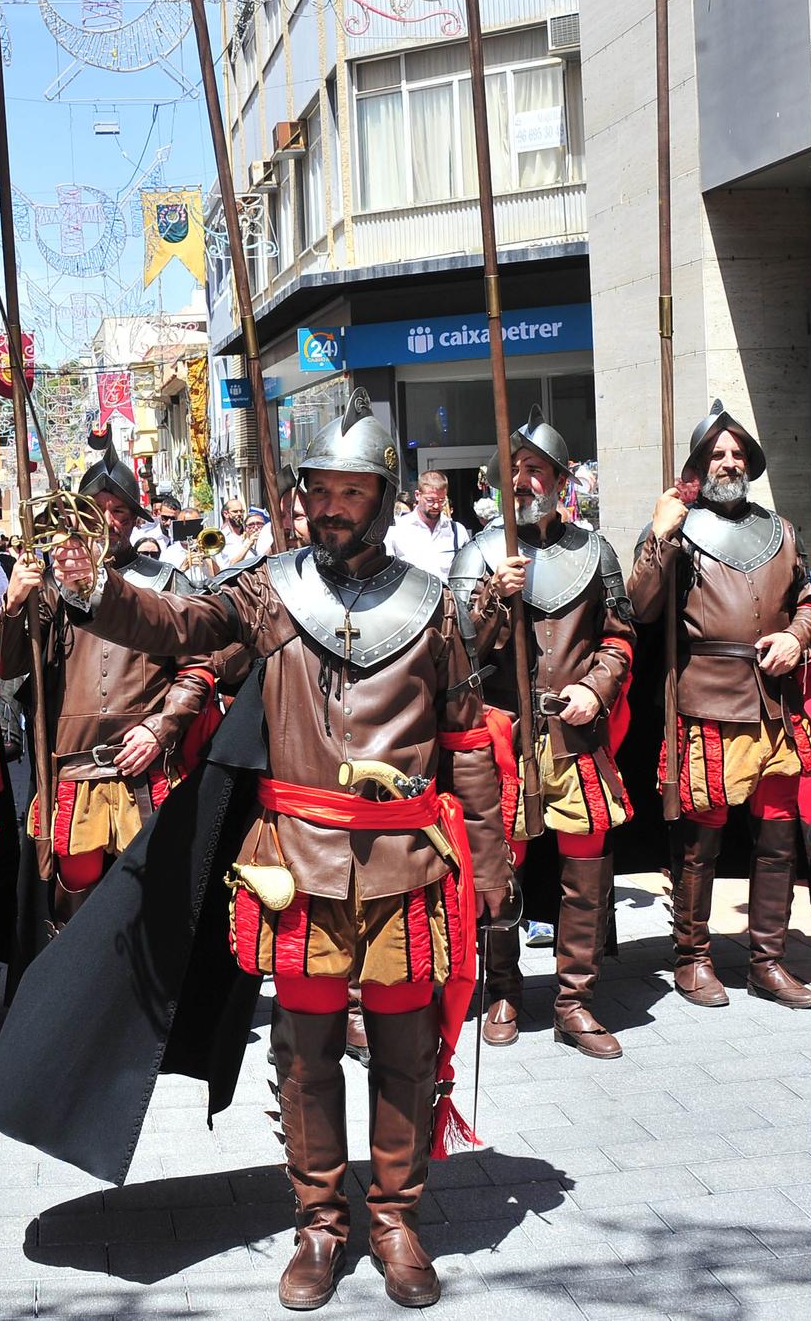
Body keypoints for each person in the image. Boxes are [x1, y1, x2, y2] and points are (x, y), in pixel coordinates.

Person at [37, 390, 512, 1309]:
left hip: (408, 867)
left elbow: (466, 745)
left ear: (381, 494)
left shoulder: (435, 604)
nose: (329, 507)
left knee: (409, 1050)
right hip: (294, 863)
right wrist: (95, 589)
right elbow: (178, 627)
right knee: (305, 1053)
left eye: (348, 491)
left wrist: (491, 874)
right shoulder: (266, 591)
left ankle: (396, 1218)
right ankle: (322, 1222)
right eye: (317, 491)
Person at [630, 398, 811, 1012]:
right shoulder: (673, 527)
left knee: (776, 838)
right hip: (706, 699)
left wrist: (796, 638)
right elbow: (639, 608)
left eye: (737, 452)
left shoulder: (782, 529)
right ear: (697, 464)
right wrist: (661, 536)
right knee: (700, 840)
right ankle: (692, 957)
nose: (728, 460)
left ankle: (767, 960)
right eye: (716, 453)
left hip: (773, 703)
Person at [451, 411, 634, 1057]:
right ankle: (502, 987)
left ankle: (575, 1001)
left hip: (576, 735)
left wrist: (597, 686)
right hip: (506, 735)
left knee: (586, 868)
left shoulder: (598, 550)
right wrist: (495, 600)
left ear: (560, 478)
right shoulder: (476, 553)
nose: (524, 481)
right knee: (503, 870)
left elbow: (619, 636)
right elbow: (458, 651)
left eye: (536, 470)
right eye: (515, 472)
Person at [0, 444, 218, 924]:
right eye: (97, 508)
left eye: (119, 510)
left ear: (134, 519)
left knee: (149, 906)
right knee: (76, 911)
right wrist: (15, 603)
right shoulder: (49, 587)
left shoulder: (167, 581)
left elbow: (199, 668)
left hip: (147, 766)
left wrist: (161, 728)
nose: (109, 519)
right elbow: (9, 666)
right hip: (74, 771)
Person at [385, 470, 468, 580]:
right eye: (430, 500)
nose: (436, 505)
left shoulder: (457, 531)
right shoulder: (397, 530)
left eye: (441, 500)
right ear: (418, 495)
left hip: (448, 594)